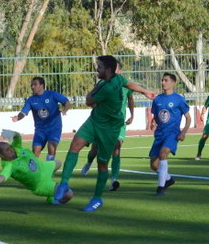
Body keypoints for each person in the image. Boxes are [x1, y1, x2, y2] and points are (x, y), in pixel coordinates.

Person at [53, 55, 155, 212]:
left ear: (107, 70)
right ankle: (64, 183)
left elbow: (88, 101)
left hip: (109, 129)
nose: (97, 69)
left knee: (102, 164)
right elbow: (129, 84)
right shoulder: (118, 79)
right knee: (75, 146)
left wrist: (95, 88)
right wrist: (145, 91)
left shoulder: (106, 88)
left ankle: (97, 198)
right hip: (94, 121)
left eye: (99, 67)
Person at [79, 63, 134, 191]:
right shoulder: (104, 83)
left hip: (118, 123)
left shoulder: (126, 85)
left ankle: (114, 179)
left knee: (117, 148)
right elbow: (93, 99)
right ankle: (89, 162)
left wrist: (132, 115)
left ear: (120, 71)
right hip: (103, 122)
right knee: (95, 149)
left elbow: (130, 99)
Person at [0, 130, 73, 204]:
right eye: (7, 150)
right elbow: (3, 176)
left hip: (43, 167)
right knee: (68, 194)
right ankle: (53, 200)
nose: (11, 150)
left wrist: (12, 133)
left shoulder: (16, 148)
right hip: (41, 184)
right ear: (1, 155)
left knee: (58, 163)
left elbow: (18, 137)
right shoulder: (9, 165)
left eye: (10, 147)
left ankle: (51, 188)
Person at [148, 73, 191, 196]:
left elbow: (188, 118)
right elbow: (157, 116)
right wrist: (154, 121)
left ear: (173, 83)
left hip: (172, 133)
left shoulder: (179, 99)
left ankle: (161, 187)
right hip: (159, 134)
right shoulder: (157, 99)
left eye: (166, 80)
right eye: (162, 80)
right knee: (154, 165)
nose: (163, 82)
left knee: (163, 154)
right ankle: (168, 179)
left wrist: (183, 132)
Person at [11, 76, 70, 161]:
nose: (32, 87)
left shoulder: (52, 94)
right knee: (35, 152)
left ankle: (50, 166)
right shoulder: (31, 100)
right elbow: (23, 112)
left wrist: (65, 110)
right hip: (40, 130)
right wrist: (17, 117)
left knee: (51, 146)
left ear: (42, 85)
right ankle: (34, 168)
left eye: (35, 84)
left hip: (54, 128)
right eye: (31, 85)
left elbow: (67, 102)